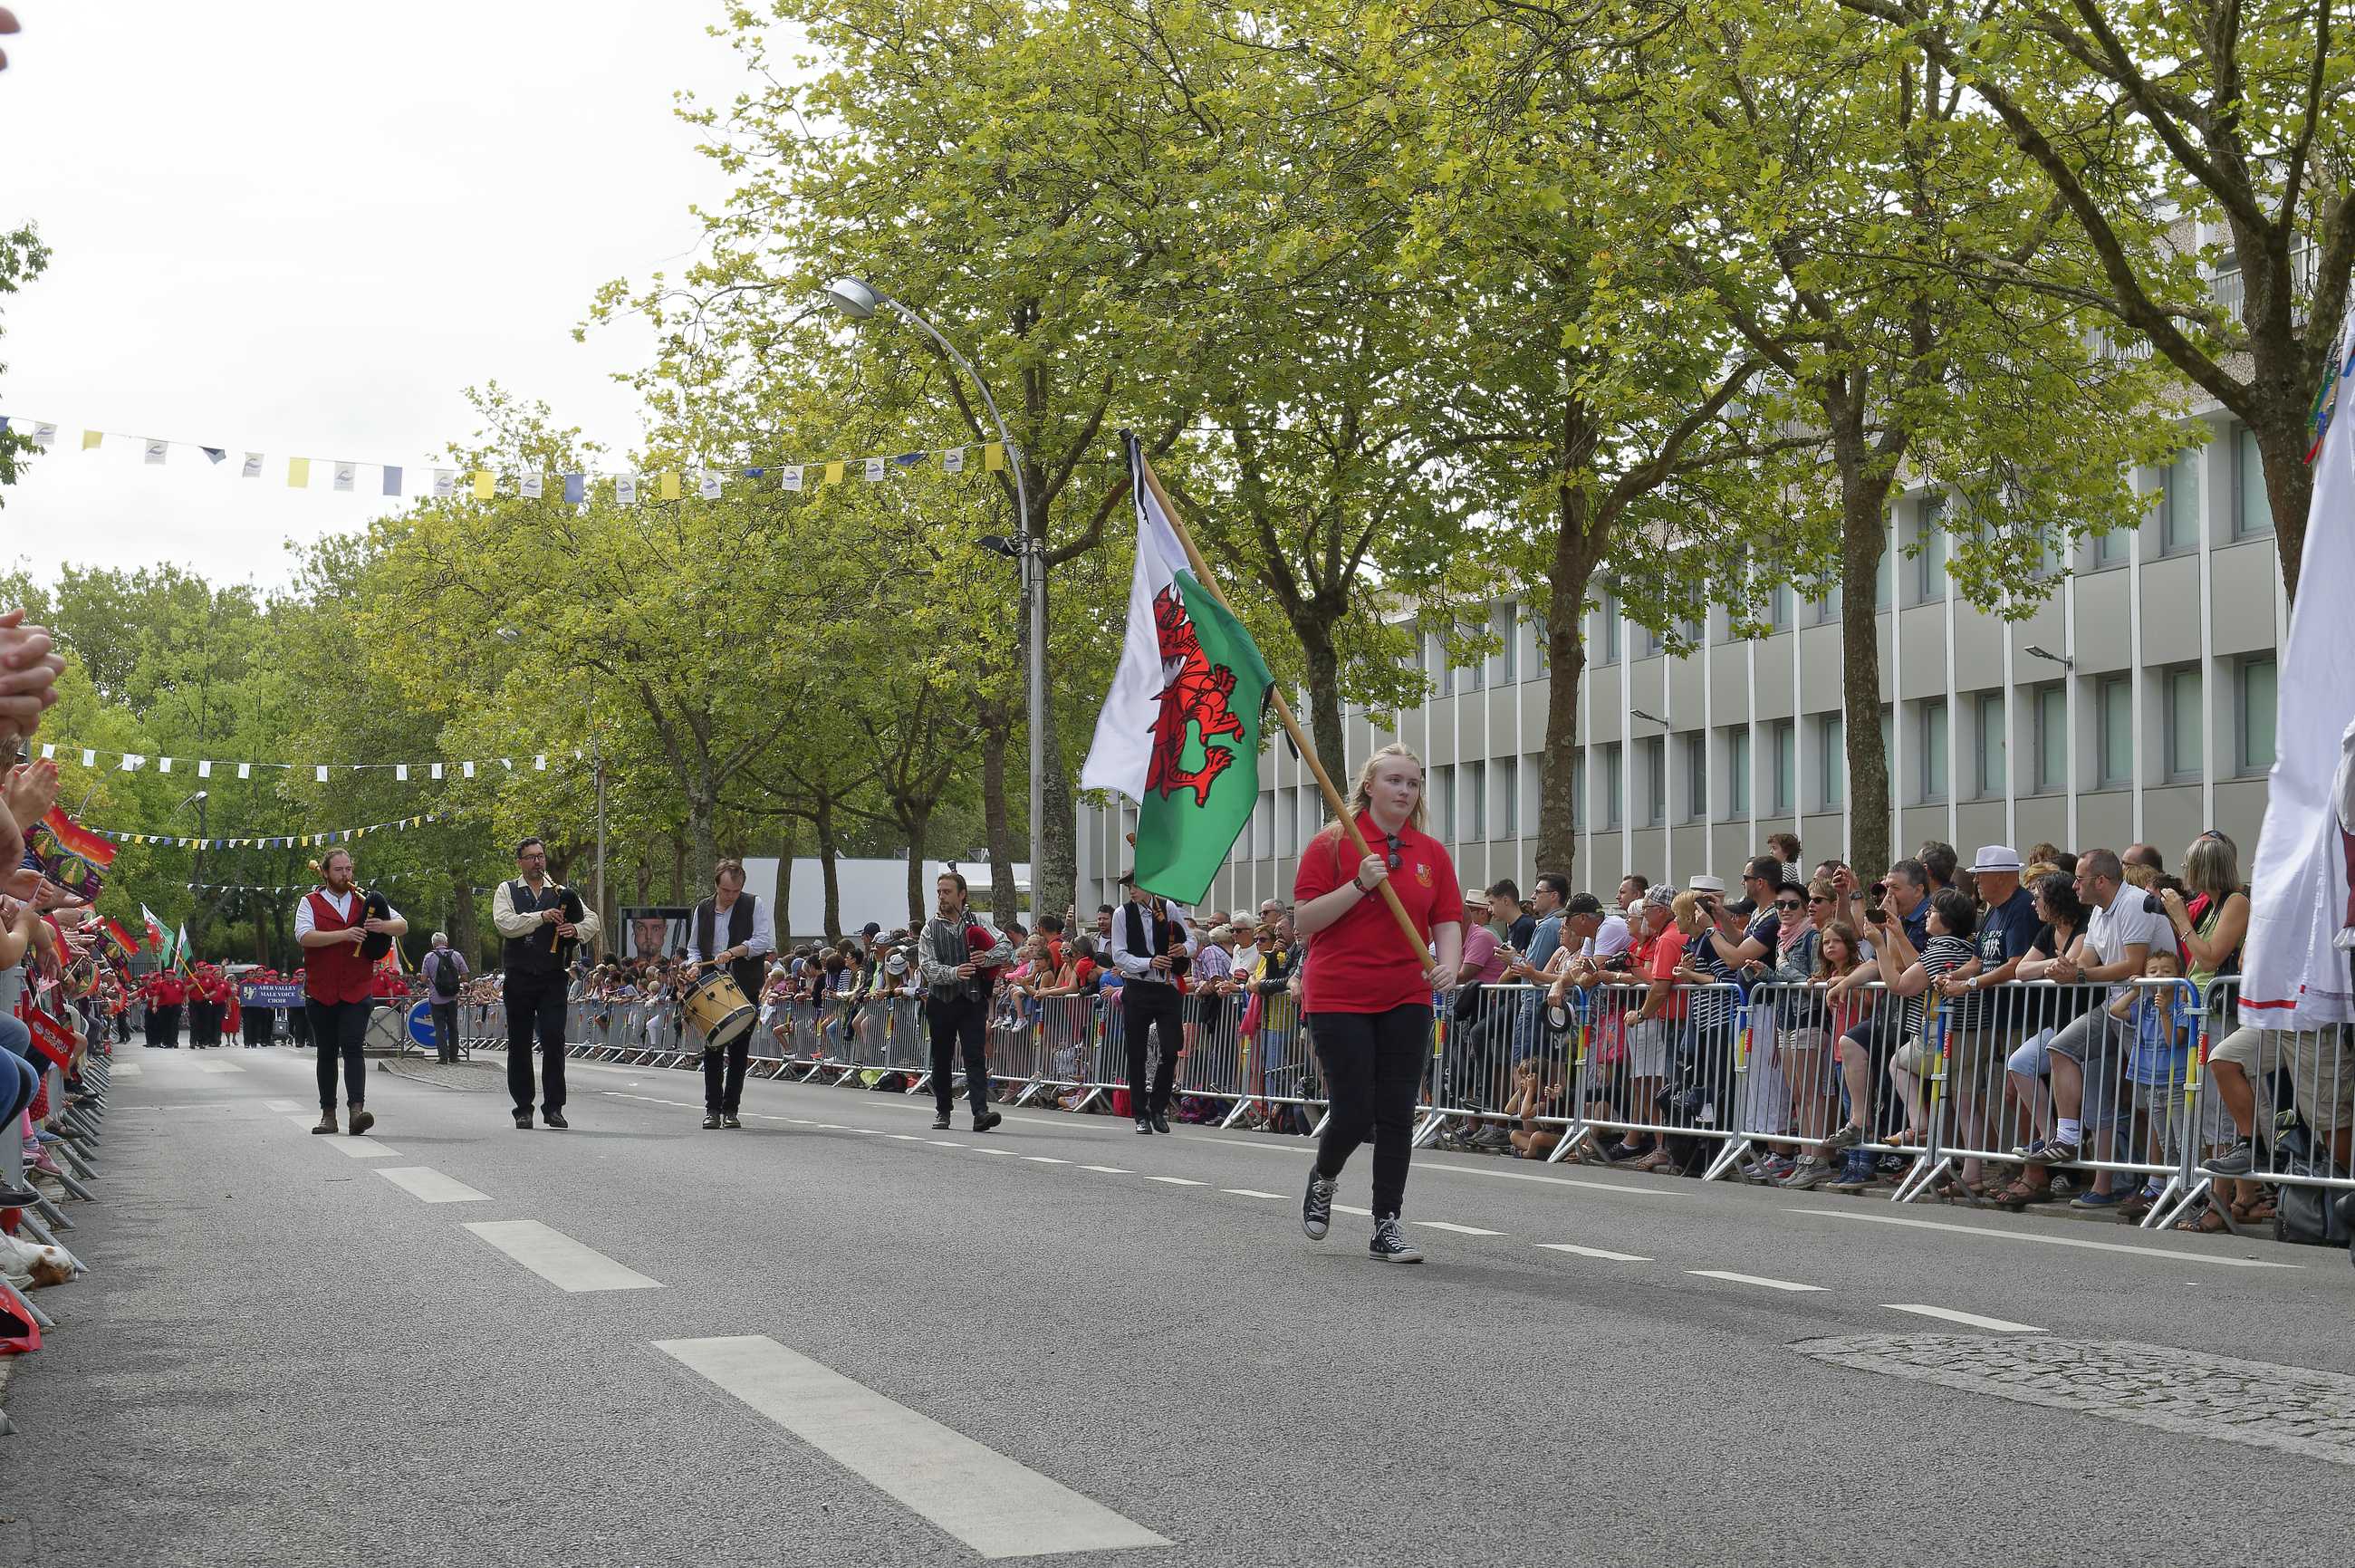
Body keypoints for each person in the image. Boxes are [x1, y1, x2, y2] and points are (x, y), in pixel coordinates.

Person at [1293, 743, 1463, 1263]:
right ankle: (1324, 1176)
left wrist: (1449, 966)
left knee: (1396, 1110)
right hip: (1339, 992)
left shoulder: (1430, 852)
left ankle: (1386, 1221)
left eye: (1413, 783)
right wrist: (1359, 884)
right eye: (1394, 780)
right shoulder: (1332, 842)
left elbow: (1447, 920)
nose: (1405, 791)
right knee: (1354, 1109)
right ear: (1369, 786)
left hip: (1406, 993)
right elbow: (1304, 921)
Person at [293, 848, 407, 1136]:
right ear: (325, 873)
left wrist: (383, 925)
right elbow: (304, 936)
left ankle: (357, 1111)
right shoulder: (309, 902)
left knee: (354, 1047)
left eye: (348, 869)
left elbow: (402, 925)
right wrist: (344, 935)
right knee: (327, 1052)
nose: (345, 875)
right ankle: (328, 1114)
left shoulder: (364, 900)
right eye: (339, 870)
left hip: (357, 988)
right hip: (321, 989)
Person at [493, 837, 598, 1130]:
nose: (537, 862)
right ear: (520, 862)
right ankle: (523, 1108)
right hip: (519, 975)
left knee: (553, 1039)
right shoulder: (507, 890)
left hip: (553, 975)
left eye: (541, 856)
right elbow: (505, 924)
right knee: (519, 1043)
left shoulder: (561, 892)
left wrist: (574, 929)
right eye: (531, 857)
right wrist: (541, 917)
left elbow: (592, 920)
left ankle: (554, 1108)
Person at [916, 871, 1011, 1131]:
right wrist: (954, 972)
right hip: (941, 1000)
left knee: (974, 1055)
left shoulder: (978, 921)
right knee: (941, 1057)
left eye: (947, 892)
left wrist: (987, 957)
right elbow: (927, 966)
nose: (941, 897)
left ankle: (980, 1112)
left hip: (972, 999)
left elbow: (1006, 946)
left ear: (962, 894)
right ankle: (943, 1111)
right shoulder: (929, 929)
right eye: (939, 892)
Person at [686, 858, 775, 1130]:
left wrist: (735, 952)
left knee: (739, 1051)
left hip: (744, 984)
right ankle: (712, 1109)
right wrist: (693, 965)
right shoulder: (702, 908)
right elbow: (694, 948)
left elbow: (763, 941)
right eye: (726, 891)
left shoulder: (753, 904)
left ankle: (731, 1109)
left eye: (736, 891)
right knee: (713, 1047)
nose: (731, 896)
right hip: (712, 984)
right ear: (716, 885)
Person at [1109, 874, 1195, 1133]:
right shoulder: (1122, 914)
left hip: (1167, 989)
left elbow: (1191, 940)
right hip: (1138, 988)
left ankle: (1158, 1107)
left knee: (1171, 1049)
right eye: (1129, 887)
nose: (1132, 891)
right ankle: (1140, 1114)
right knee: (1136, 1053)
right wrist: (1148, 962)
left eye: (1136, 886)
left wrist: (1183, 949)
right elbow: (1119, 955)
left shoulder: (1168, 908)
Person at [422, 932, 468, 1064]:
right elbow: (465, 976)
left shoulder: (429, 957)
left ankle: (443, 1057)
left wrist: (432, 982)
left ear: (433, 944)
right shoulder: (456, 955)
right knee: (453, 1026)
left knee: (439, 1027)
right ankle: (454, 1056)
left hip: (436, 997)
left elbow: (424, 979)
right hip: (452, 997)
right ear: (446, 943)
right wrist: (454, 982)